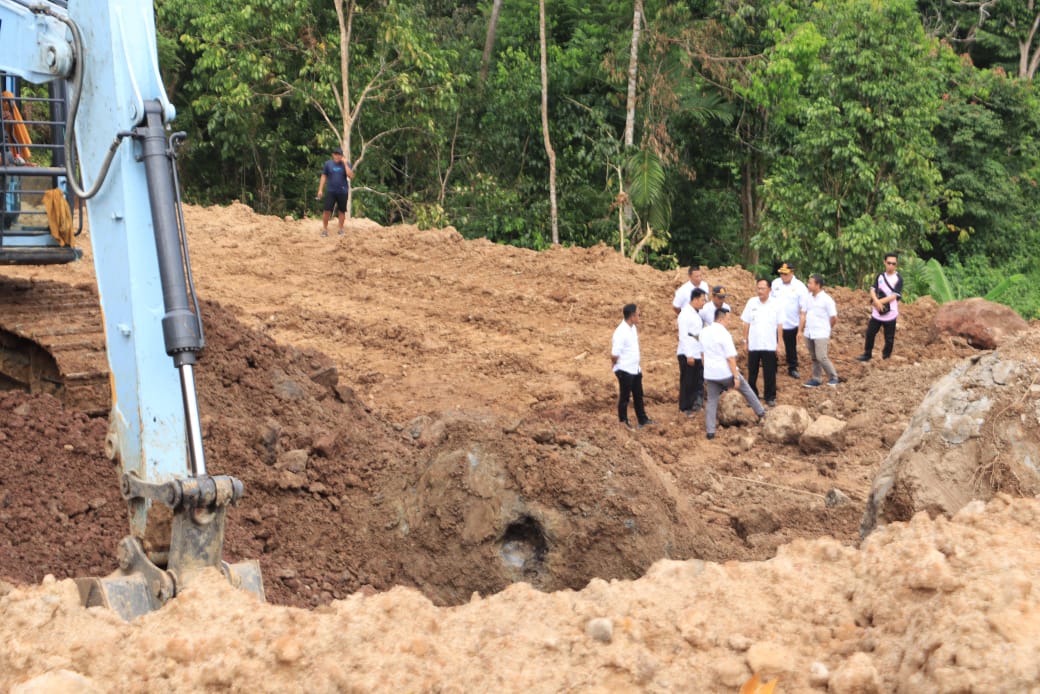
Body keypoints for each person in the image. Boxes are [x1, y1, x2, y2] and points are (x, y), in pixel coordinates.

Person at [700, 306, 766, 439]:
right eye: (728, 319)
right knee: (745, 388)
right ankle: (761, 412)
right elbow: (730, 358)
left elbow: (702, 354)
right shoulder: (724, 334)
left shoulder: (703, 332)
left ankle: (710, 431)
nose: (729, 322)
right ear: (721, 319)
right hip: (725, 373)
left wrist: (707, 368)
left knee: (712, 400)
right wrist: (735, 376)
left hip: (710, 374)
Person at [741, 278, 784, 406]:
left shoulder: (776, 304)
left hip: (769, 344)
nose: (760, 291)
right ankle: (752, 397)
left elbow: (779, 325)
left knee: (770, 372)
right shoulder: (751, 303)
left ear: (769, 289)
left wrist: (779, 343)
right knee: (752, 372)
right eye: (758, 288)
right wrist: (745, 341)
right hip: (754, 344)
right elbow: (746, 323)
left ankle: (770, 397)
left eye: (762, 288)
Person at [611, 303, 656, 429]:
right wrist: (615, 364)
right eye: (638, 315)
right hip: (625, 370)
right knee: (625, 397)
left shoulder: (633, 328)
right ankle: (623, 422)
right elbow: (614, 354)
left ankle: (642, 419)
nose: (639, 317)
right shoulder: (621, 332)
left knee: (638, 395)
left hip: (634, 368)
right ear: (632, 316)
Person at [857, 252, 904, 362]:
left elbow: (894, 296)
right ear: (884, 262)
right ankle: (867, 354)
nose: (891, 266)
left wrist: (878, 302)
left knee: (889, 338)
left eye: (893, 264)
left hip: (890, 313)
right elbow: (873, 289)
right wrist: (876, 301)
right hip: (877, 313)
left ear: (896, 264)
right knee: (870, 333)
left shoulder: (898, 279)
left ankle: (886, 357)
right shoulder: (880, 276)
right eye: (889, 263)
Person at [770, 262, 808, 379]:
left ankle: (792, 367)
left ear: (792, 273)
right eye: (781, 273)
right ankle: (772, 367)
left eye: (785, 274)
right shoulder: (775, 283)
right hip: (775, 323)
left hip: (791, 323)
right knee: (773, 346)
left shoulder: (800, 287)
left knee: (791, 347)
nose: (783, 276)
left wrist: (800, 330)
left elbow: (803, 309)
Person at [800, 274, 839, 387]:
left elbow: (834, 317)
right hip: (809, 332)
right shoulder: (808, 298)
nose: (808, 285)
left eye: (810, 283)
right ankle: (816, 379)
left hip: (821, 333)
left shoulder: (827, 300)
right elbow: (803, 313)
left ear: (818, 285)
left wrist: (827, 328)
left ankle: (833, 377)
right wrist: (800, 330)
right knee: (814, 357)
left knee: (821, 356)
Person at [677, 288, 708, 415]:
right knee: (687, 382)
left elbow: (697, 335)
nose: (704, 303)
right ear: (695, 299)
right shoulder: (685, 314)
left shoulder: (696, 314)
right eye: (702, 300)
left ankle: (693, 406)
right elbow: (683, 336)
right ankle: (684, 408)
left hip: (696, 353)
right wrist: (689, 355)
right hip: (687, 353)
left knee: (695, 381)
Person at [315, 146, 355, 237]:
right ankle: (325, 229)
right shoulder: (328, 164)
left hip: (342, 191)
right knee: (327, 210)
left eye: (339, 154)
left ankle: (341, 229)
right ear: (333, 155)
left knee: (342, 211)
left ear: (342, 156)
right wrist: (320, 189)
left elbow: (350, 176)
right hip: (331, 191)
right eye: (336, 154)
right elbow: (324, 176)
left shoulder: (346, 164)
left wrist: (345, 164)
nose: (337, 156)